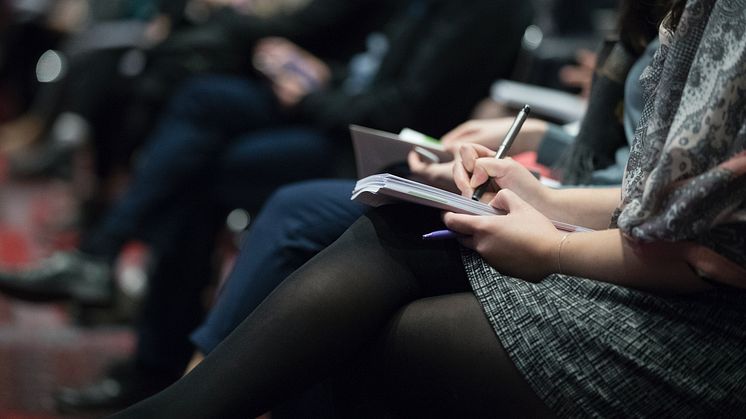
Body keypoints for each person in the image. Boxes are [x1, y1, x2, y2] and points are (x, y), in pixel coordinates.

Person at [109, 0, 746, 416]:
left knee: (354, 319)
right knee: (395, 218)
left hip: (702, 332)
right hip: (636, 252)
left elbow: (707, 249)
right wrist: (544, 195)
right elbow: (658, 196)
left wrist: (554, 238)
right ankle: (177, 393)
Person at [0, 0, 534, 412]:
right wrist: (317, 73)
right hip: (342, 113)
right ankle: (158, 352)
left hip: (387, 150)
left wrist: (311, 95)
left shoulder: (484, 8)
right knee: (197, 104)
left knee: (211, 171)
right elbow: (361, 56)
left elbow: (405, 107)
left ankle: (173, 375)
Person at [188, 0, 663, 361]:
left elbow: (653, 197)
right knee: (215, 133)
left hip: (586, 217)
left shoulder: (694, 32)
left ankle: (190, 374)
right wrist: (542, 140)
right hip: (569, 190)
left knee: (324, 225)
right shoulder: (648, 23)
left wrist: (539, 183)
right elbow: (615, 151)